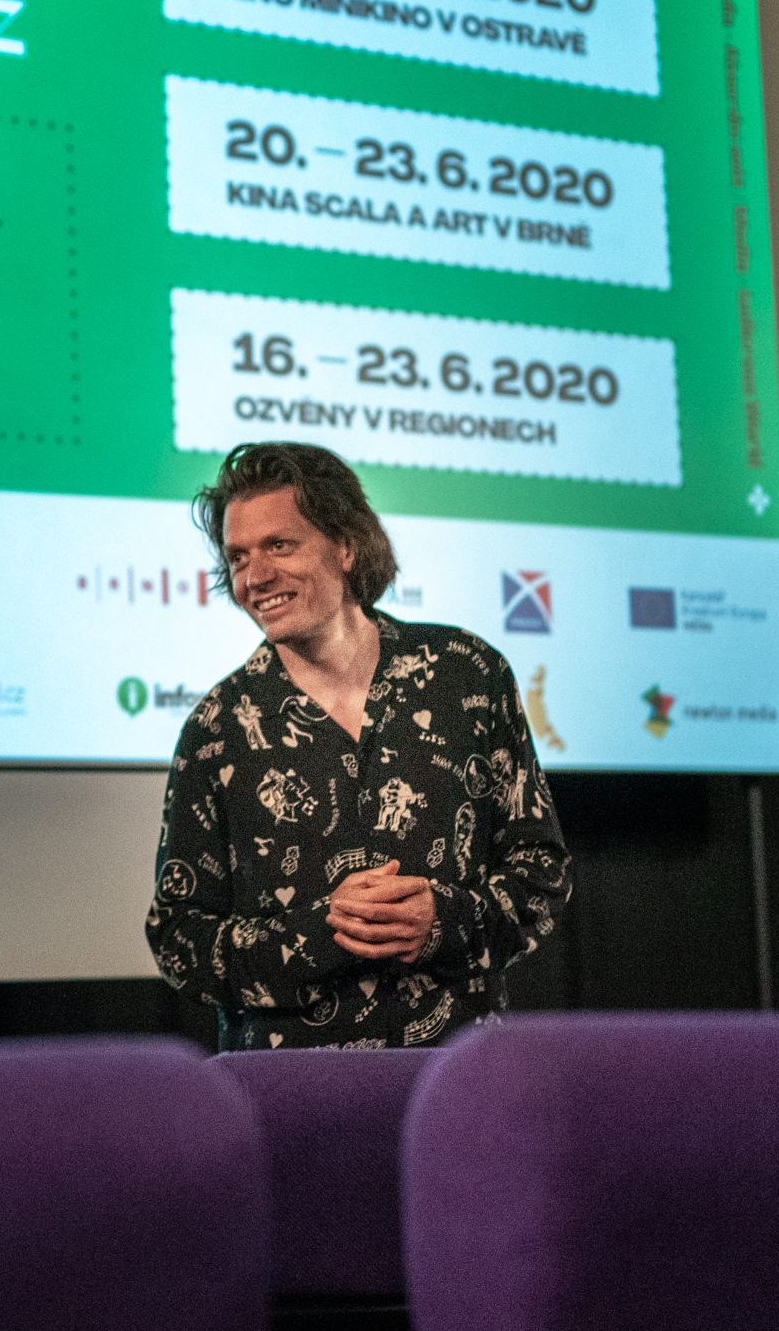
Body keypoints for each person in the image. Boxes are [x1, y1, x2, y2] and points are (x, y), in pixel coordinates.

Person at [147, 443, 572, 1049]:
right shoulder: (217, 730)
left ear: (346, 545)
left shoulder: (467, 675)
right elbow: (179, 940)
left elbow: (542, 873)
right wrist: (322, 933)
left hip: (457, 1076)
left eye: (279, 545)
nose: (255, 577)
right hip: (290, 1089)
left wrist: (442, 920)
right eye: (238, 557)